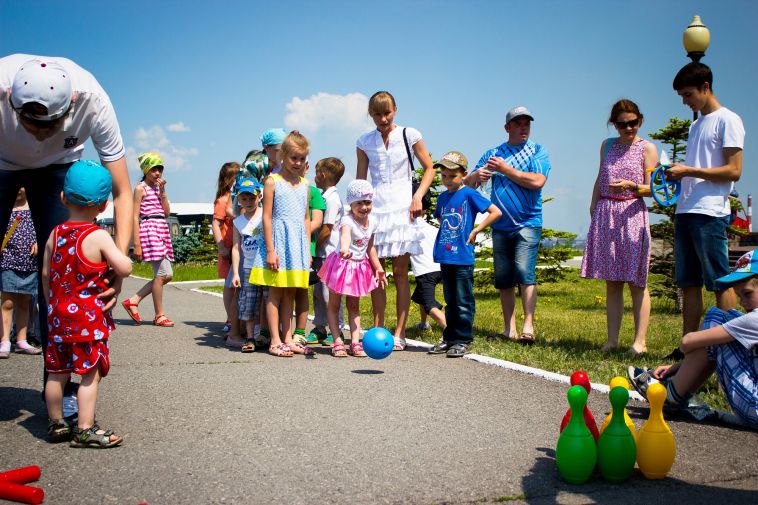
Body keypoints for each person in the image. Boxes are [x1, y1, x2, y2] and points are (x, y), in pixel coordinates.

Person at [0, 55, 132, 399]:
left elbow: (122, 191)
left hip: (58, 167)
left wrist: (117, 266)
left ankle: (58, 390)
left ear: (71, 104)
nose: (38, 138)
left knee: (66, 278)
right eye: (30, 125)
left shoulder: (93, 99)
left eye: (49, 127)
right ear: (10, 98)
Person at [42, 160, 132, 447]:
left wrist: (50, 305)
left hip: (57, 317)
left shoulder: (55, 235)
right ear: (104, 205)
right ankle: (84, 428)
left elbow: (45, 273)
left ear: (63, 198)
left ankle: (56, 423)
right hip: (87, 322)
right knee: (90, 375)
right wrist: (124, 258)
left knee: (57, 373)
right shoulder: (98, 236)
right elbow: (124, 267)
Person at [629, 249, 758, 430]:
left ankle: (672, 395)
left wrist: (685, 359)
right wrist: (679, 367)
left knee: (716, 317)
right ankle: (679, 390)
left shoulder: (754, 320)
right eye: (740, 296)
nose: (743, 303)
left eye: (748, 294)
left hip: (754, 408)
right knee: (721, 334)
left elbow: (687, 342)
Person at [665, 62, 745, 336]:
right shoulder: (696, 125)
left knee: (720, 281)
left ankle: (728, 343)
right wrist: (679, 173)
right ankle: (690, 345)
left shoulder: (728, 119)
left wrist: (688, 170)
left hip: (710, 212)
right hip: (686, 209)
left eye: (688, 94)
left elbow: (734, 170)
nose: (686, 101)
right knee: (689, 283)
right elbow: (700, 166)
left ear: (706, 87)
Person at [464, 106, 550, 345]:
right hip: (500, 224)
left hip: (528, 222)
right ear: (507, 127)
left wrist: (505, 169)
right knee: (503, 277)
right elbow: (466, 183)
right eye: (518, 123)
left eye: (527, 123)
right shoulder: (493, 153)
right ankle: (508, 328)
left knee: (524, 272)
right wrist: (478, 175)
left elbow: (537, 181)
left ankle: (528, 327)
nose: (524, 127)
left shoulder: (538, 152)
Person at [356, 91, 435, 351]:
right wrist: (359, 211)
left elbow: (430, 168)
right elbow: (361, 180)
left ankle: (399, 333)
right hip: (376, 210)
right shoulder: (364, 141)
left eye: (387, 112)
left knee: (401, 273)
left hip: (404, 208)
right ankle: (378, 328)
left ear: (395, 110)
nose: (383, 118)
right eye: (377, 113)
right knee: (377, 273)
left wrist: (418, 198)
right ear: (371, 115)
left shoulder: (410, 134)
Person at [581, 99, 658, 354]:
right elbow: (599, 176)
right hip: (607, 213)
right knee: (612, 282)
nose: (628, 128)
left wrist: (631, 186)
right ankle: (612, 340)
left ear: (640, 121)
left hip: (632, 213)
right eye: (623, 124)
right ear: (614, 125)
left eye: (633, 123)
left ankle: (640, 342)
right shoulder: (607, 146)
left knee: (637, 281)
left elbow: (653, 189)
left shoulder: (647, 149)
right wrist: (594, 205)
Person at [428, 152, 501, 357]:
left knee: (463, 300)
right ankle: (450, 337)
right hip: (446, 256)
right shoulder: (442, 197)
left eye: (452, 176)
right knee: (450, 299)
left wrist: (477, 230)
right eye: (443, 176)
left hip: (462, 256)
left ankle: (463, 339)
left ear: (464, 174)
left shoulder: (470, 194)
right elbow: (443, 221)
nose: (447, 180)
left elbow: (496, 212)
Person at [250, 131, 313, 357]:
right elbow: (266, 217)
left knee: (290, 293)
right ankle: (275, 340)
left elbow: (305, 219)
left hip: (296, 246)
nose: (298, 163)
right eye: (293, 158)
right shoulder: (272, 181)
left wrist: (306, 249)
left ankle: (288, 338)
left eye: (302, 159)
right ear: (283, 156)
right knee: (275, 292)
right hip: (277, 242)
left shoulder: (305, 184)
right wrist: (270, 250)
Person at [318, 179, 387, 357]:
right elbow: (346, 236)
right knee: (334, 304)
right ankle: (337, 341)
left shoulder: (373, 222)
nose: (364, 207)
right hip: (341, 264)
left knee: (354, 305)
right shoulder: (346, 220)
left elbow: (370, 248)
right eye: (359, 203)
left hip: (358, 267)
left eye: (368, 202)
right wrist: (344, 249)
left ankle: (355, 342)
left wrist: (378, 267)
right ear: (351, 203)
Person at [121, 153, 175, 327]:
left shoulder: (159, 189)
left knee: (168, 275)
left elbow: (166, 213)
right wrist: (136, 244)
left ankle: (134, 300)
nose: (157, 173)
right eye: (153, 169)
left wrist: (163, 192)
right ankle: (159, 315)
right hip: (149, 228)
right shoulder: (140, 188)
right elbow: (135, 216)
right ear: (146, 170)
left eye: (160, 169)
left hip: (161, 227)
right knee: (160, 275)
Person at [309, 157, 346, 347]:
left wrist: (314, 247)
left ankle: (337, 328)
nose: (314, 177)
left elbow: (327, 228)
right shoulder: (324, 195)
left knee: (329, 293)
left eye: (316, 172)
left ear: (322, 175)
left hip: (329, 253)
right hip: (322, 254)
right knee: (318, 292)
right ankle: (320, 327)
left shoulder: (332, 199)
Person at [1, 187, 42, 357]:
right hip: (8, 259)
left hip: (29, 262)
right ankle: (4, 340)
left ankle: (21, 339)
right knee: (7, 301)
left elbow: (41, 228)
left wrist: (38, 242)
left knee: (25, 302)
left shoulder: (34, 207)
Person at [230, 178, 265, 353]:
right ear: (239, 199)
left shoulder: (265, 216)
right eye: (244, 198)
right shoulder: (238, 222)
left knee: (268, 301)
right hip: (248, 268)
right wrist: (236, 273)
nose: (249, 202)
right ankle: (250, 337)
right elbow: (236, 248)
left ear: (259, 196)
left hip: (265, 266)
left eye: (252, 198)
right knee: (249, 303)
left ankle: (268, 335)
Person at [293, 160, 325, 346]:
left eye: (302, 165)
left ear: (306, 168)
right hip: (284, 249)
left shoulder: (313, 193)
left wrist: (298, 234)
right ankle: (283, 329)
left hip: (306, 249)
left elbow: (317, 221)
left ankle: (299, 331)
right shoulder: (281, 188)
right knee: (284, 291)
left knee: (301, 291)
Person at [212, 162, 241, 338]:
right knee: (229, 285)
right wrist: (221, 245)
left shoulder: (241, 197)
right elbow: (216, 223)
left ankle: (237, 317)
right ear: (227, 179)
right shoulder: (223, 199)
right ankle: (230, 318)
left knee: (238, 285)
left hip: (239, 246)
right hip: (228, 247)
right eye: (235, 177)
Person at [410, 219, 446, 333]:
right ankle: (424, 324)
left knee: (429, 305)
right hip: (439, 268)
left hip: (424, 271)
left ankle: (453, 332)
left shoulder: (407, 229)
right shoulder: (432, 229)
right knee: (419, 296)